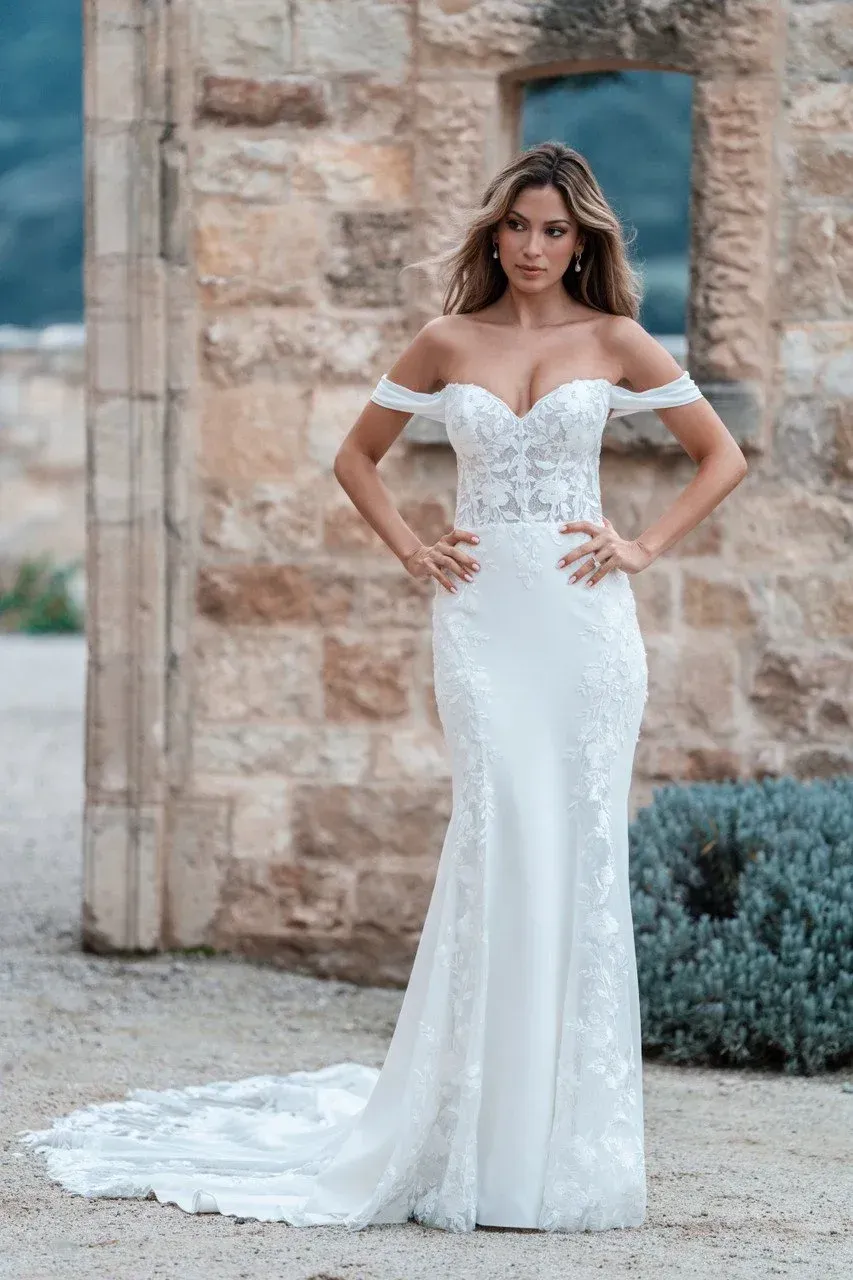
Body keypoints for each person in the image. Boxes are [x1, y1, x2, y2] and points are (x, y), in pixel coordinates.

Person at [19, 141, 747, 1233]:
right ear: (493, 233)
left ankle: (555, 1146)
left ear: (582, 237)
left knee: (577, 853)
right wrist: (415, 549)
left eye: (555, 230)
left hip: (587, 628)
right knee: (497, 832)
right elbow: (357, 456)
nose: (535, 247)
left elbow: (720, 453)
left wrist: (639, 546)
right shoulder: (446, 337)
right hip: (482, 620)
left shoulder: (617, 338)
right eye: (518, 226)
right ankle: (469, 1135)